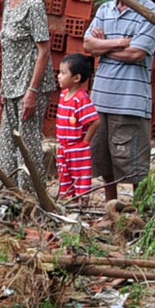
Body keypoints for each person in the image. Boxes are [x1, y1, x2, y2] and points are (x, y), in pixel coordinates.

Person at [82, 0, 155, 204]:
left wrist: (103, 46)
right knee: (104, 159)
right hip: (101, 98)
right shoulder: (105, 8)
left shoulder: (150, 11)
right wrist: (118, 43)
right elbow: (87, 44)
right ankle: (111, 209)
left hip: (130, 100)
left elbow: (136, 53)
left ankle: (141, 211)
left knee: (133, 162)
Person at [0, 0, 54, 190]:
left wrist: (33, 91)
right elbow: (7, 47)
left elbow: (44, 51)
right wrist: (2, 85)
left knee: (27, 146)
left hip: (29, 85)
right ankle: (9, 197)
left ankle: (32, 198)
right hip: (11, 84)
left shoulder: (34, 5)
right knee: (7, 144)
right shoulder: (9, 1)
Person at [55, 54, 100, 200]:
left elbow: (95, 121)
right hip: (63, 148)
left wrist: (85, 142)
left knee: (81, 182)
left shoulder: (81, 98)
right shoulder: (63, 95)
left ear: (76, 78)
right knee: (65, 180)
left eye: (63, 73)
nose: (59, 76)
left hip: (77, 148)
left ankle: (82, 206)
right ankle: (68, 205)